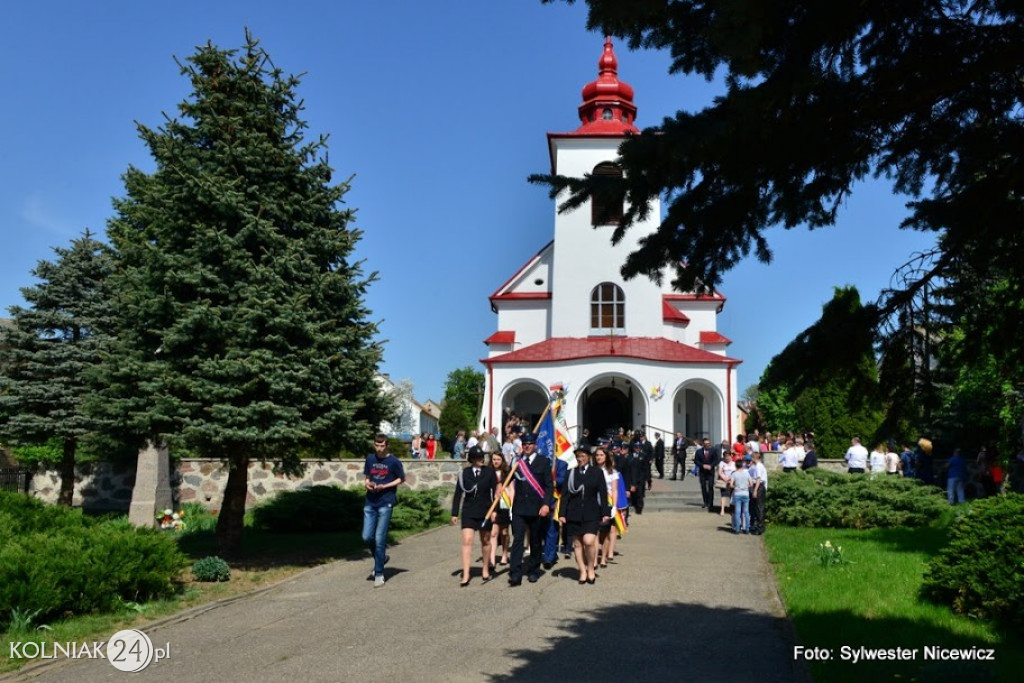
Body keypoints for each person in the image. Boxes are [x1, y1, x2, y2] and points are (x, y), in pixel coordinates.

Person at [507, 432, 554, 586]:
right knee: (518, 540)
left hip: (537, 508)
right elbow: (507, 478)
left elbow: (549, 486)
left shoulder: (543, 461)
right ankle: (515, 573)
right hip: (519, 508)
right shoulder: (517, 462)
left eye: (530, 443)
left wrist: (546, 504)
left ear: (535, 445)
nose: (527, 446)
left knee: (535, 541)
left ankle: (533, 570)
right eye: (524, 444)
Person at [559, 446, 611, 584]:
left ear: (588, 457)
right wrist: (562, 513)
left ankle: (590, 568)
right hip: (573, 513)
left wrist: (606, 512)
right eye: (578, 456)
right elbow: (564, 495)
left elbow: (603, 493)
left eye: (582, 456)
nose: (580, 459)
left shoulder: (597, 472)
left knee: (588, 541)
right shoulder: (571, 473)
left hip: (592, 512)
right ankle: (582, 570)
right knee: (577, 544)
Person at [451, 446, 498, 586]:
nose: (481, 459)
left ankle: (485, 568)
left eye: (482, 457)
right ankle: (466, 574)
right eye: (478, 458)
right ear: (471, 459)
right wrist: (454, 513)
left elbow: (496, 493)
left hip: (485, 511)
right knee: (467, 540)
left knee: (486, 540)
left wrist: (495, 511)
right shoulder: (464, 474)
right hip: (469, 511)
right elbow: (458, 494)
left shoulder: (489, 472)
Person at [363, 434, 405, 587]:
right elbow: (367, 477)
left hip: (386, 501)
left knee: (380, 538)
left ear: (387, 445)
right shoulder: (370, 459)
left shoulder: (393, 462)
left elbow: (401, 478)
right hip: (370, 501)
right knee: (367, 537)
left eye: (382, 446)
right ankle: (381, 558)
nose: (379, 449)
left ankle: (379, 573)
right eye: (376, 445)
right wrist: (367, 484)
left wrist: (386, 486)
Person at [541, 452, 569, 569]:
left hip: (555, 501)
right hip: (541, 502)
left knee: (552, 530)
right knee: (542, 531)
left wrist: (552, 481)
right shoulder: (541, 462)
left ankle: (548, 558)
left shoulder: (562, 464)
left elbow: (563, 479)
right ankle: (551, 555)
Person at [594, 446, 621, 568]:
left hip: (607, 503)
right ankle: (594, 558)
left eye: (601, 455)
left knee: (605, 533)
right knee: (593, 533)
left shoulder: (612, 472)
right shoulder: (592, 470)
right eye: (597, 455)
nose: (599, 457)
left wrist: (614, 506)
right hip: (594, 503)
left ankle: (603, 557)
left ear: (606, 457)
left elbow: (614, 490)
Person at [487, 451, 512, 569]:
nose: (495, 461)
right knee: (493, 533)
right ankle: (492, 558)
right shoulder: (488, 472)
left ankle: (504, 553)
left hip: (505, 505)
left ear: (502, 460)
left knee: (504, 532)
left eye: (498, 459)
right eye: (493, 459)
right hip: (493, 505)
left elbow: (511, 488)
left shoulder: (507, 472)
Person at [729, 457, 752, 534]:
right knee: (746, 511)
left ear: (736, 466)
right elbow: (751, 483)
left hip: (737, 493)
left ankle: (737, 528)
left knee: (737, 511)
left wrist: (736, 486)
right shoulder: (747, 473)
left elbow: (731, 485)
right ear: (742, 465)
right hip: (745, 493)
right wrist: (746, 486)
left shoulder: (734, 474)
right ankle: (747, 528)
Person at [694, 438, 717, 511]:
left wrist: (711, 465)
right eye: (706, 444)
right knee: (703, 487)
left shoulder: (713, 451)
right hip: (702, 472)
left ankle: (711, 503)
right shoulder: (698, 452)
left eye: (709, 444)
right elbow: (696, 461)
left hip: (710, 472)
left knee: (710, 487)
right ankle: (705, 502)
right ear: (703, 444)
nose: (707, 445)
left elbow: (716, 460)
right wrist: (702, 465)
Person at [749, 451, 768, 534]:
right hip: (759, 486)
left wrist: (755, 490)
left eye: (752, 457)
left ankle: (760, 527)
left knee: (759, 507)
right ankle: (759, 525)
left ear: (754, 458)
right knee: (757, 507)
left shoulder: (758, 467)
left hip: (759, 487)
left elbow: (758, 479)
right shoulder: (758, 466)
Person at [717, 446, 736, 516]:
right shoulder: (722, 463)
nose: (727, 457)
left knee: (732, 496)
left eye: (728, 456)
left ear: (731, 456)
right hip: (724, 481)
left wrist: (730, 479)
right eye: (725, 456)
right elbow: (720, 472)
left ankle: (732, 509)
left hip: (732, 481)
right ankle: (722, 510)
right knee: (723, 495)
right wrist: (724, 478)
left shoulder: (734, 463)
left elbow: (735, 472)